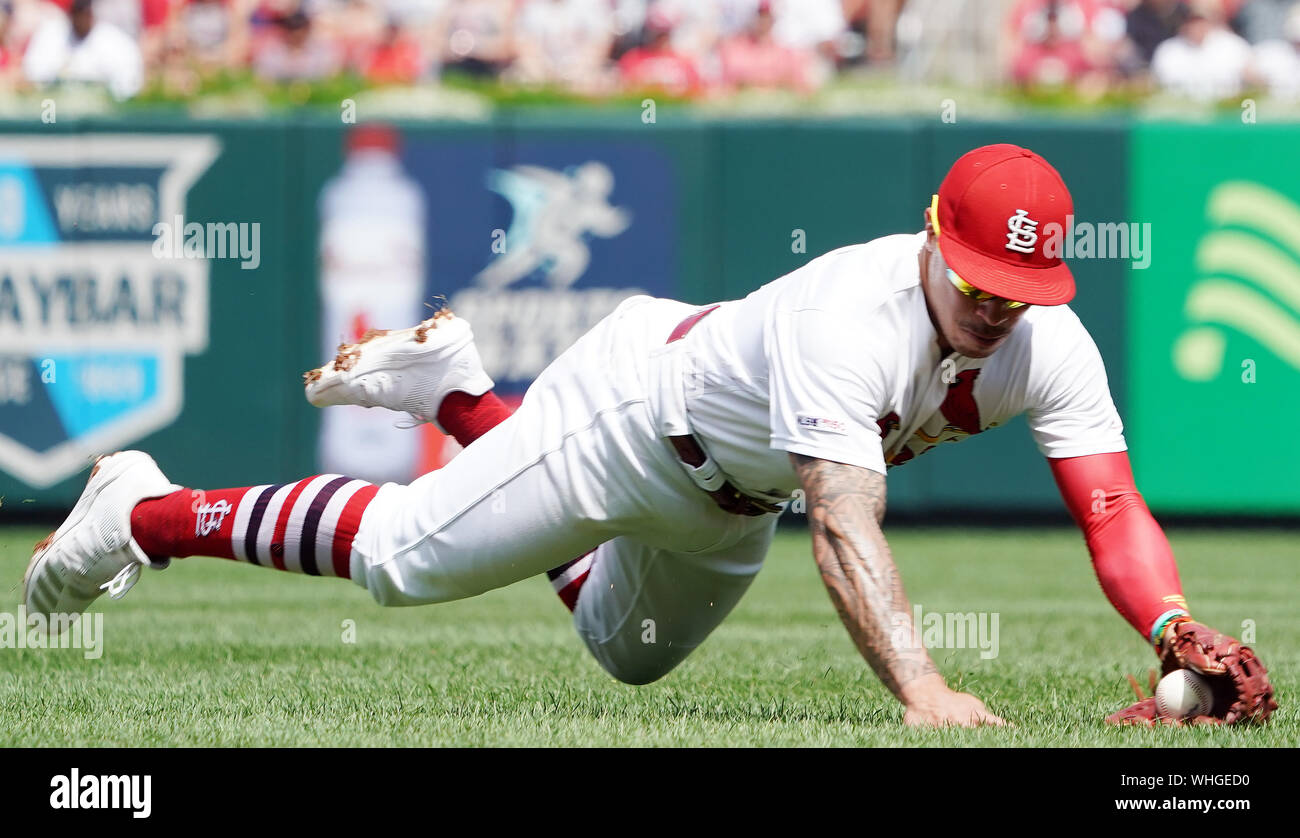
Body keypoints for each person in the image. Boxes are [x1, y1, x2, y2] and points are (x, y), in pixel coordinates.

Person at [25, 144, 1276, 728]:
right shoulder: (855, 314)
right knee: (404, 558)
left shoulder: (1046, 345)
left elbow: (1111, 511)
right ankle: (141, 507)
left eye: (1020, 289)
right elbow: (843, 523)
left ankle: (461, 398)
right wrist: (925, 689)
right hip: (633, 419)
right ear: (930, 236)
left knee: (622, 661)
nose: (997, 307)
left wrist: (1169, 629)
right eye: (976, 278)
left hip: (728, 503)